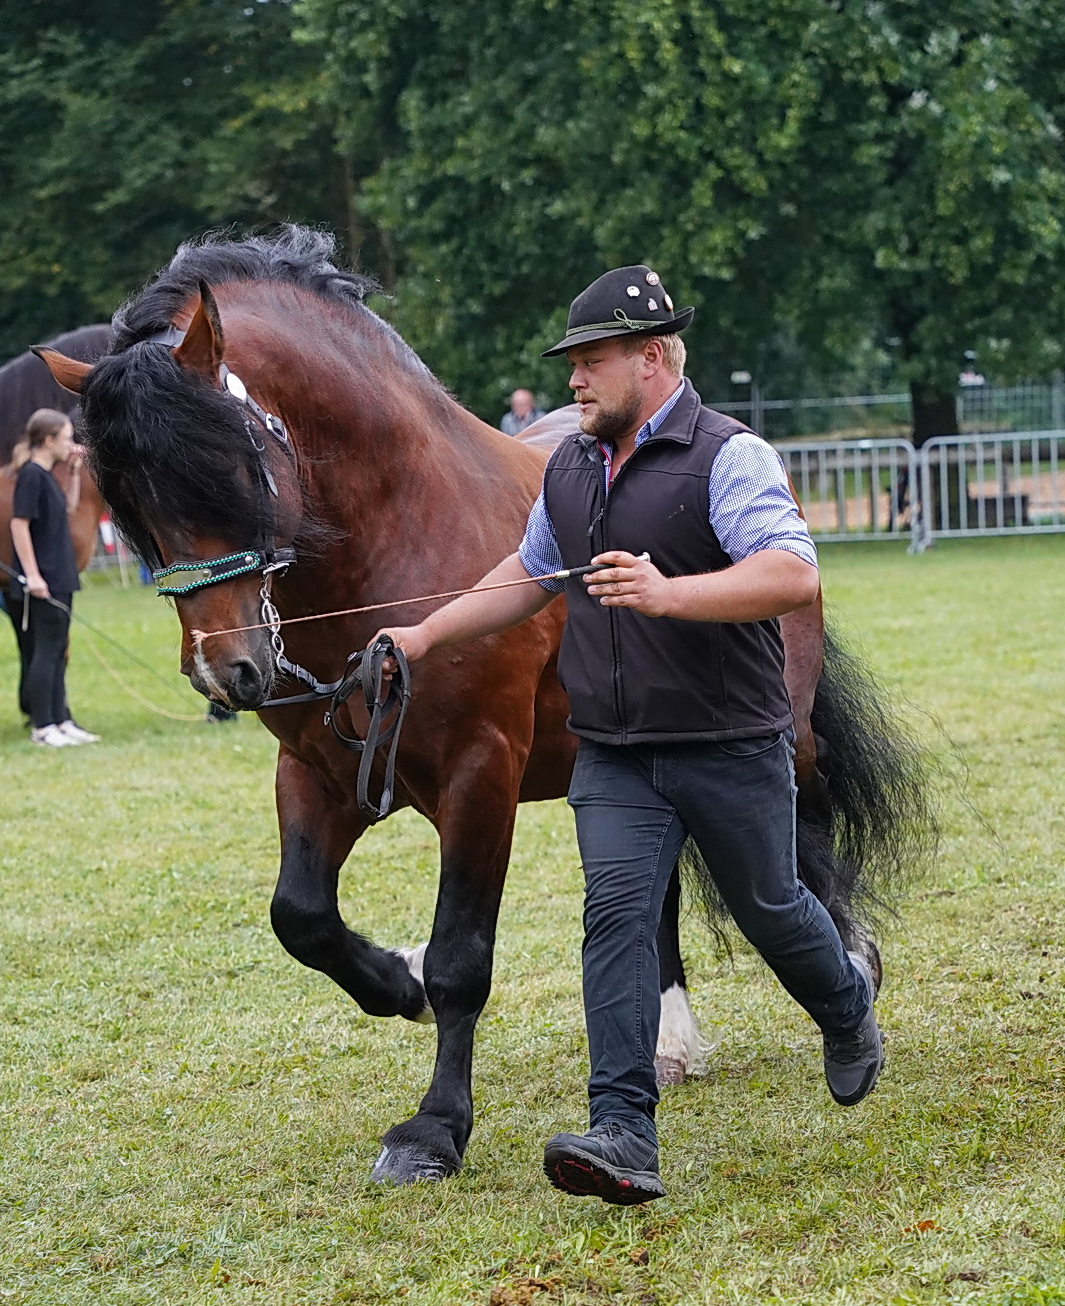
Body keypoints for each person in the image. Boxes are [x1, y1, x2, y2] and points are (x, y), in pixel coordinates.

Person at [372, 265, 883, 1207]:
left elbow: (790, 574)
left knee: (771, 908)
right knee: (613, 923)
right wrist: (426, 631)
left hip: (727, 743)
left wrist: (667, 594)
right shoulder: (570, 467)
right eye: (569, 365)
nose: (573, 381)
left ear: (651, 359)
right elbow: (527, 574)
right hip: (614, 753)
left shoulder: (728, 456)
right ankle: (623, 1132)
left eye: (591, 362)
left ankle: (846, 1006)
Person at [8, 409, 99, 747]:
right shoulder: (30, 475)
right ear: (48, 441)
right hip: (42, 579)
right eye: (67, 438)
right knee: (45, 652)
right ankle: (43, 726)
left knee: (58, 648)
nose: (72, 444)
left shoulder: (48, 475)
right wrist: (32, 575)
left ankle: (61, 721)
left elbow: (68, 509)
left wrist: (74, 473)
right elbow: (19, 525)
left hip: (60, 576)